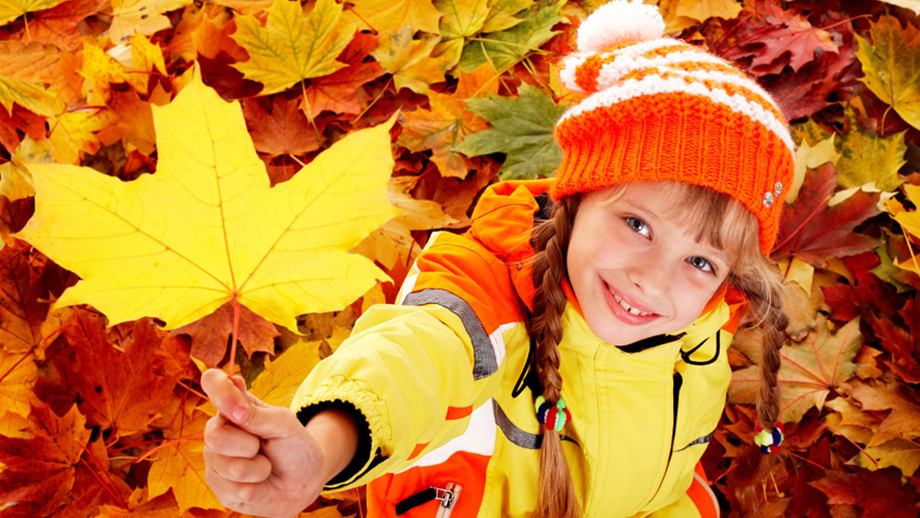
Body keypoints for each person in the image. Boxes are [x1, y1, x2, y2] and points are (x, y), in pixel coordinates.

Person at [201, 1, 794, 516]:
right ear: (577, 197)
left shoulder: (705, 327)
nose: (653, 280)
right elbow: (414, 359)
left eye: (701, 262)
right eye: (638, 224)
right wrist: (324, 444)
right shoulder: (486, 294)